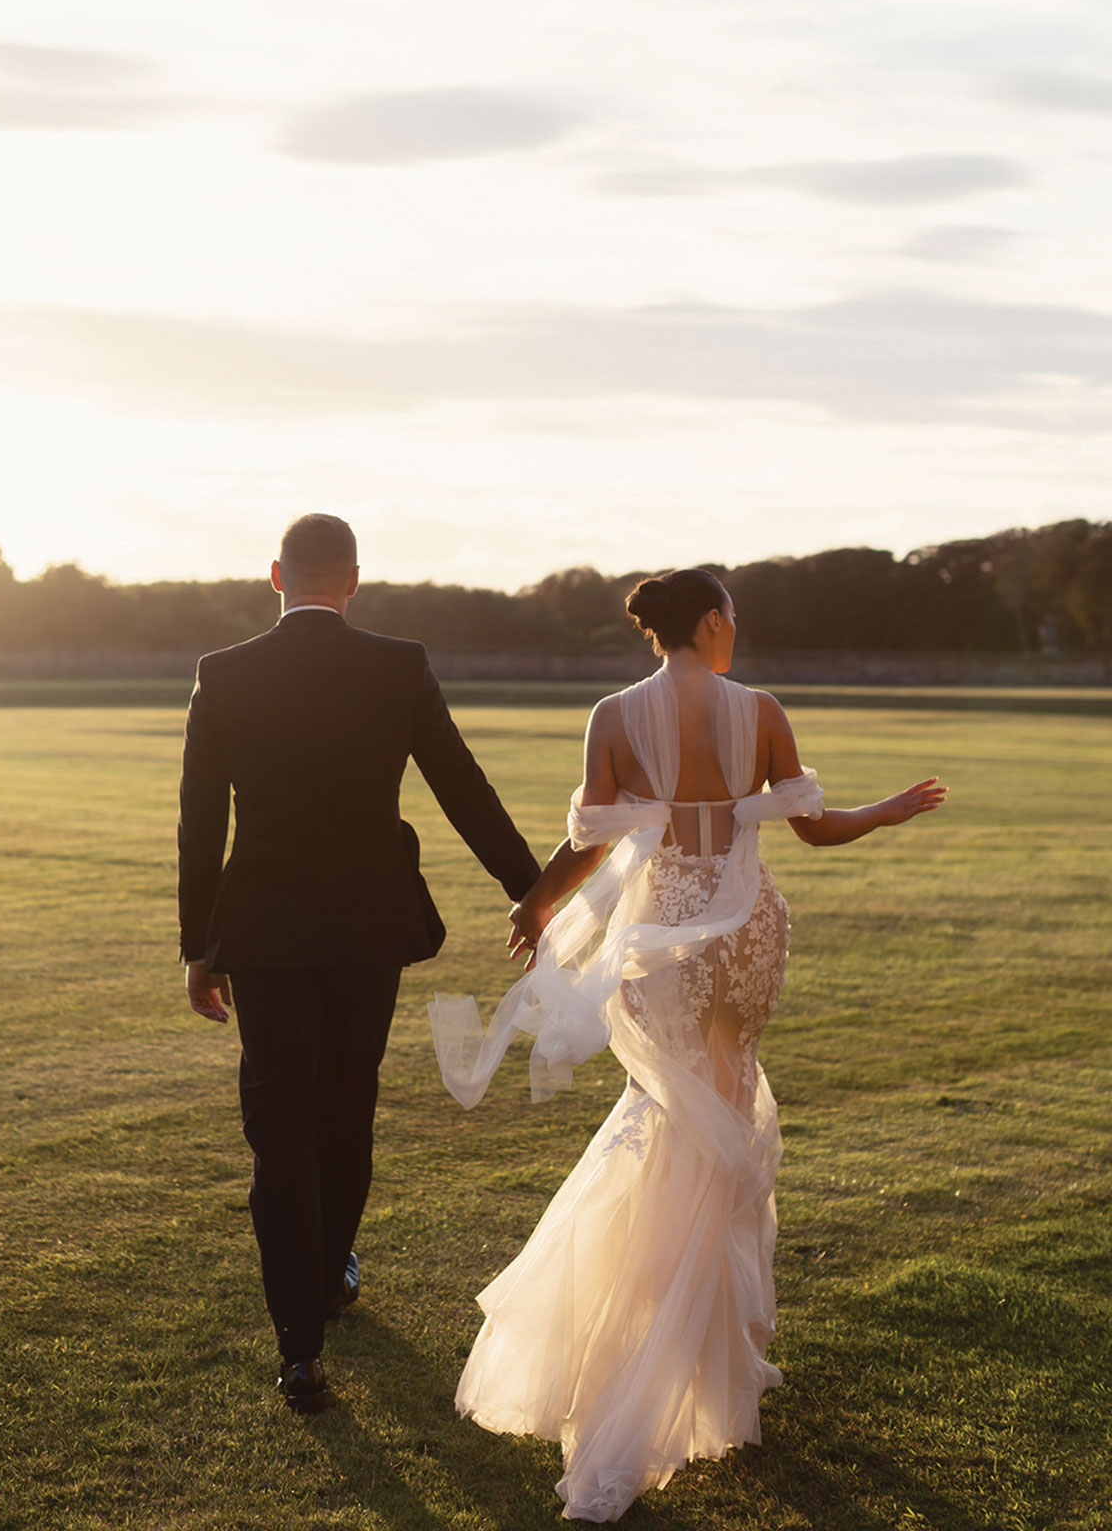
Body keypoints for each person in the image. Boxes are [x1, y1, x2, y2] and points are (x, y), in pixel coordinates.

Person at [430, 568, 946, 1522]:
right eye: (732, 618)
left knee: (671, 1115)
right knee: (721, 1106)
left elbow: (591, 839)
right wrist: (886, 811)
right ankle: (692, 1355)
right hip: (744, 930)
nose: (734, 631)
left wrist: (534, 903)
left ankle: (685, 1349)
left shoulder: (613, 715)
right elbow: (812, 828)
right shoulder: (761, 711)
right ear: (711, 622)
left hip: (662, 935)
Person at [178, 513, 541, 1414]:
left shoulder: (222, 675)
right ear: (352, 581)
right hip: (365, 929)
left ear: (275, 575)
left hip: (261, 934)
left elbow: (199, 826)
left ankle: (300, 1348)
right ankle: (330, 1277)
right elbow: (462, 784)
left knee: (277, 1128)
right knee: (346, 1108)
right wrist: (530, 888)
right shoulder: (397, 664)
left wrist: (198, 947)